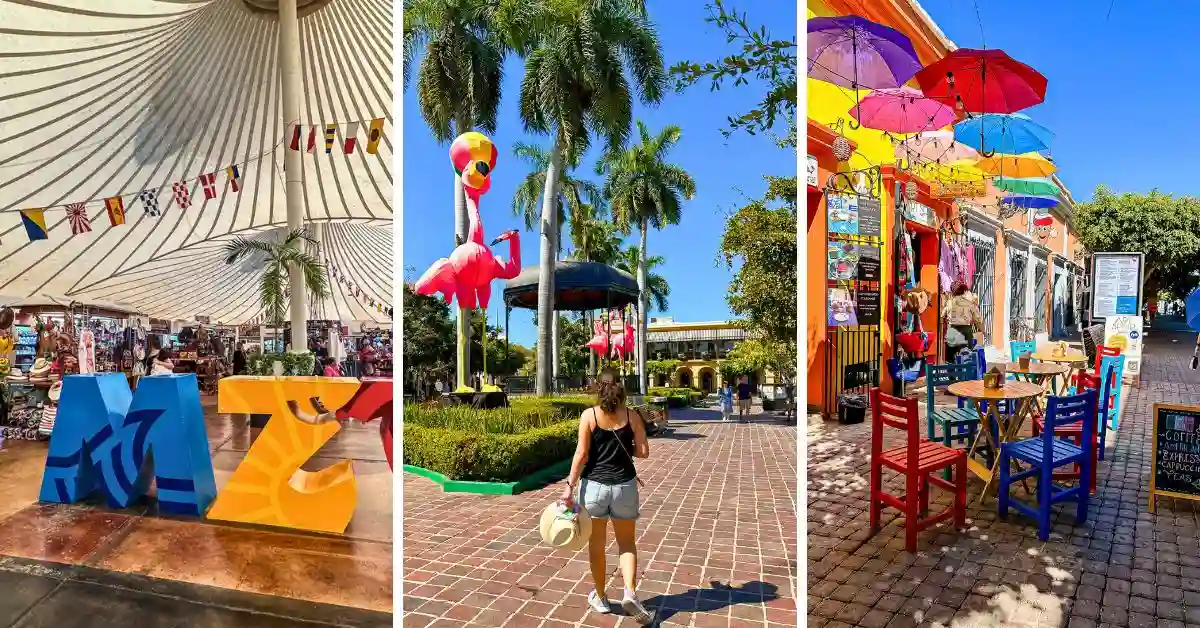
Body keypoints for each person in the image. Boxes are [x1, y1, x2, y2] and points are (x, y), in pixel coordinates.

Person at [562, 368, 653, 624]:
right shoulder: (632, 415)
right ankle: (630, 593)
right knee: (626, 543)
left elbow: (581, 455)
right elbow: (644, 452)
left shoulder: (589, 415)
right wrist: (625, 449)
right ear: (620, 387)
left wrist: (569, 485)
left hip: (594, 488)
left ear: (597, 387)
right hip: (624, 486)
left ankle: (601, 598)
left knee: (596, 545)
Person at [942, 281, 982, 363]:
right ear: (964, 291)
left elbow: (942, 315)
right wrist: (981, 329)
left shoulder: (949, 302)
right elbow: (977, 318)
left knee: (951, 359)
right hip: (966, 332)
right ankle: (964, 374)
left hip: (952, 331)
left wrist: (946, 319)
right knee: (966, 357)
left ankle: (952, 374)